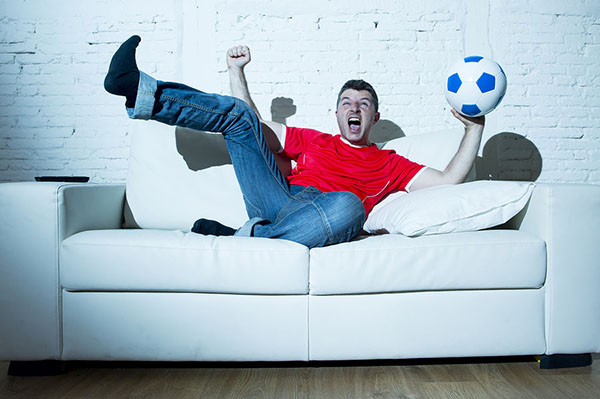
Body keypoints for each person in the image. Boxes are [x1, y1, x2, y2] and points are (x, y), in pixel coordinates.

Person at [104, 36, 484, 248]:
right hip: (277, 198)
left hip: (330, 214)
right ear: (336, 114)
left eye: (364, 105)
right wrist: (236, 72)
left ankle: (245, 237)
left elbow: (449, 182)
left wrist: (474, 128)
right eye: (346, 103)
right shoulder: (315, 140)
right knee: (237, 114)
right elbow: (251, 126)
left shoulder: (390, 163)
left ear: (374, 118)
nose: (355, 108)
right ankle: (139, 91)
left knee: (351, 206)